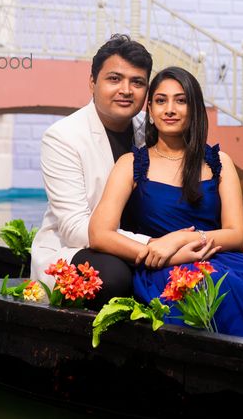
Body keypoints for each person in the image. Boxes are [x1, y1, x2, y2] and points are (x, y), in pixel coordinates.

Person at [89, 66, 243, 342]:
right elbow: (99, 234)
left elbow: (236, 233)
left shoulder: (219, 163)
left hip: (217, 256)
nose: (170, 109)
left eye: (180, 100)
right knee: (221, 287)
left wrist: (183, 240)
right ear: (150, 108)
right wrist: (159, 250)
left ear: (194, 108)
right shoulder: (131, 164)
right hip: (163, 268)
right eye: (161, 100)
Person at [31, 34, 156, 303]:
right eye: (114, 79)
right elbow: (76, 228)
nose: (126, 90)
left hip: (137, 239)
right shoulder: (63, 137)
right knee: (114, 278)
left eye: (137, 82)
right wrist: (152, 246)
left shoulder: (153, 130)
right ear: (92, 82)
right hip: (75, 248)